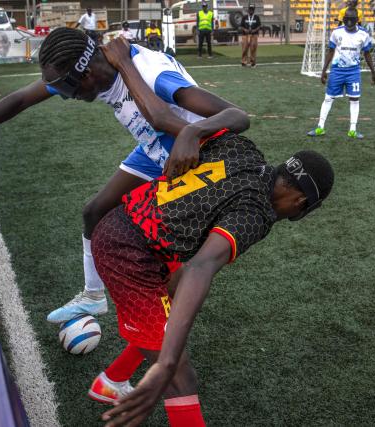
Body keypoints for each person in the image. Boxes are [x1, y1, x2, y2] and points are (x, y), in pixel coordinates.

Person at [83, 44, 335, 425]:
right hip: (127, 251)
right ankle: (134, 373)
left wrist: (192, 130)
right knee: (180, 376)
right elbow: (203, 265)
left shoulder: (243, 151)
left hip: (137, 227)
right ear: (299, 201)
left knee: (173, 297)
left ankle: (112, 378)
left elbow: (231, 116)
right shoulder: (257, 216)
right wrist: (167, 361)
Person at [0, 30, 248, 323]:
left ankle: (158, 333)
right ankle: (94, 297)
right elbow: (20, 99)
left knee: (155, 250)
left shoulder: (151, 74)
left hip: (198, 161)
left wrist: (194, 131)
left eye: (67, 89)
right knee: (95, 211)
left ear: (88, 74)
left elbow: (237, 116)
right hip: (154, 147)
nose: (65, 97)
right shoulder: (93, 69)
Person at [307, 8, 375, 139]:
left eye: (352, 19)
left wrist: (374, 72)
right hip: (337, 71)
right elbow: (331, 51)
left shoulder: (364, 34)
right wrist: (323, 71)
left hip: (354, 72)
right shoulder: (336, 32)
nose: (349, 21)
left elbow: (367, 54)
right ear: (344, 19)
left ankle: (353, 129)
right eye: (347, 19)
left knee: (355, 99)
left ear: (357, 20)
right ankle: (320, 127)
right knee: (328, 98)